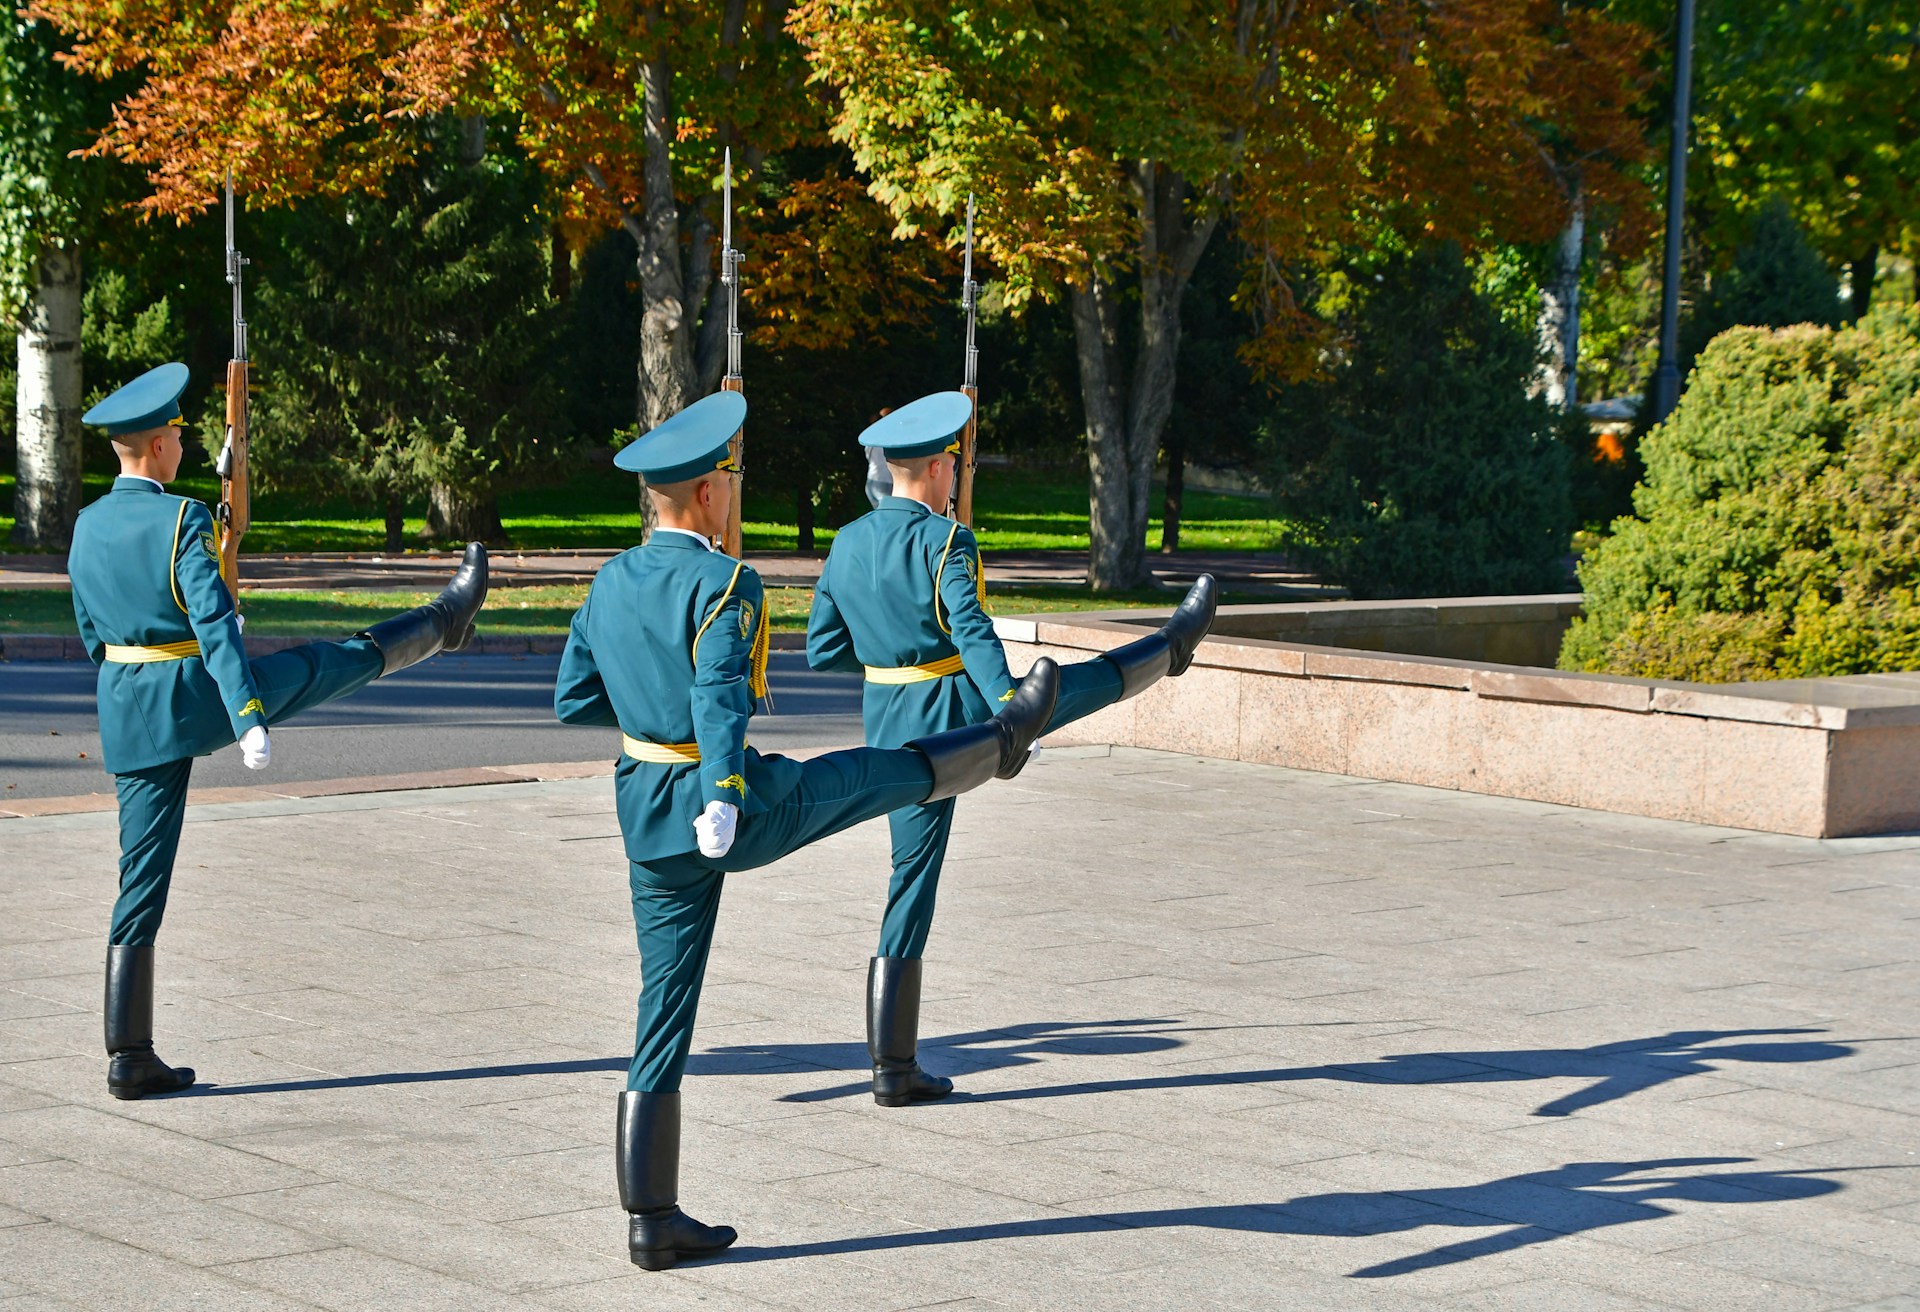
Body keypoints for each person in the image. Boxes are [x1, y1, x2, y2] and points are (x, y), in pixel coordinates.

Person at [554, 390, 1061, 1271]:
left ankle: (651, 1219)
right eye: (729, 481)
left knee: (661, 1010)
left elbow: (574, 697)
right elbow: (718, 703)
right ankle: (967, 757)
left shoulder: (609, 579)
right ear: (709, 495)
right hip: (731, 804)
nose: (732, 494)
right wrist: (717, 787)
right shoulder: (722, 583)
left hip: (644, 813)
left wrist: (652, 725)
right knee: (866, 777)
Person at [68, 362, 489, 1101]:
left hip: (127, 713)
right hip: (199, 696)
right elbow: (214, 629)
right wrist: (248, 715)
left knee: (140, 880)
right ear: (159, 446)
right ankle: (441, 624)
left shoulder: (88, 525)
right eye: (175, 435)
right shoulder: (180, 520)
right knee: (330, 661)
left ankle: (128, 1054)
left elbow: (93, 637)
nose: (180, 444)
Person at [806, 390, 1217, 1107]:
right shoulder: (944, 541)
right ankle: (1171, 648)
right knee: (1066, 690)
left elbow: (822, 649)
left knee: (912, 881)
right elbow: (971, 633)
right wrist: (1008, 709)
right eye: (953, 467)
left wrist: (891, 663)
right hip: (955, 716)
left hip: (890, 720)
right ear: (939, 469)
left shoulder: (846, 543)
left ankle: (892, 1066)